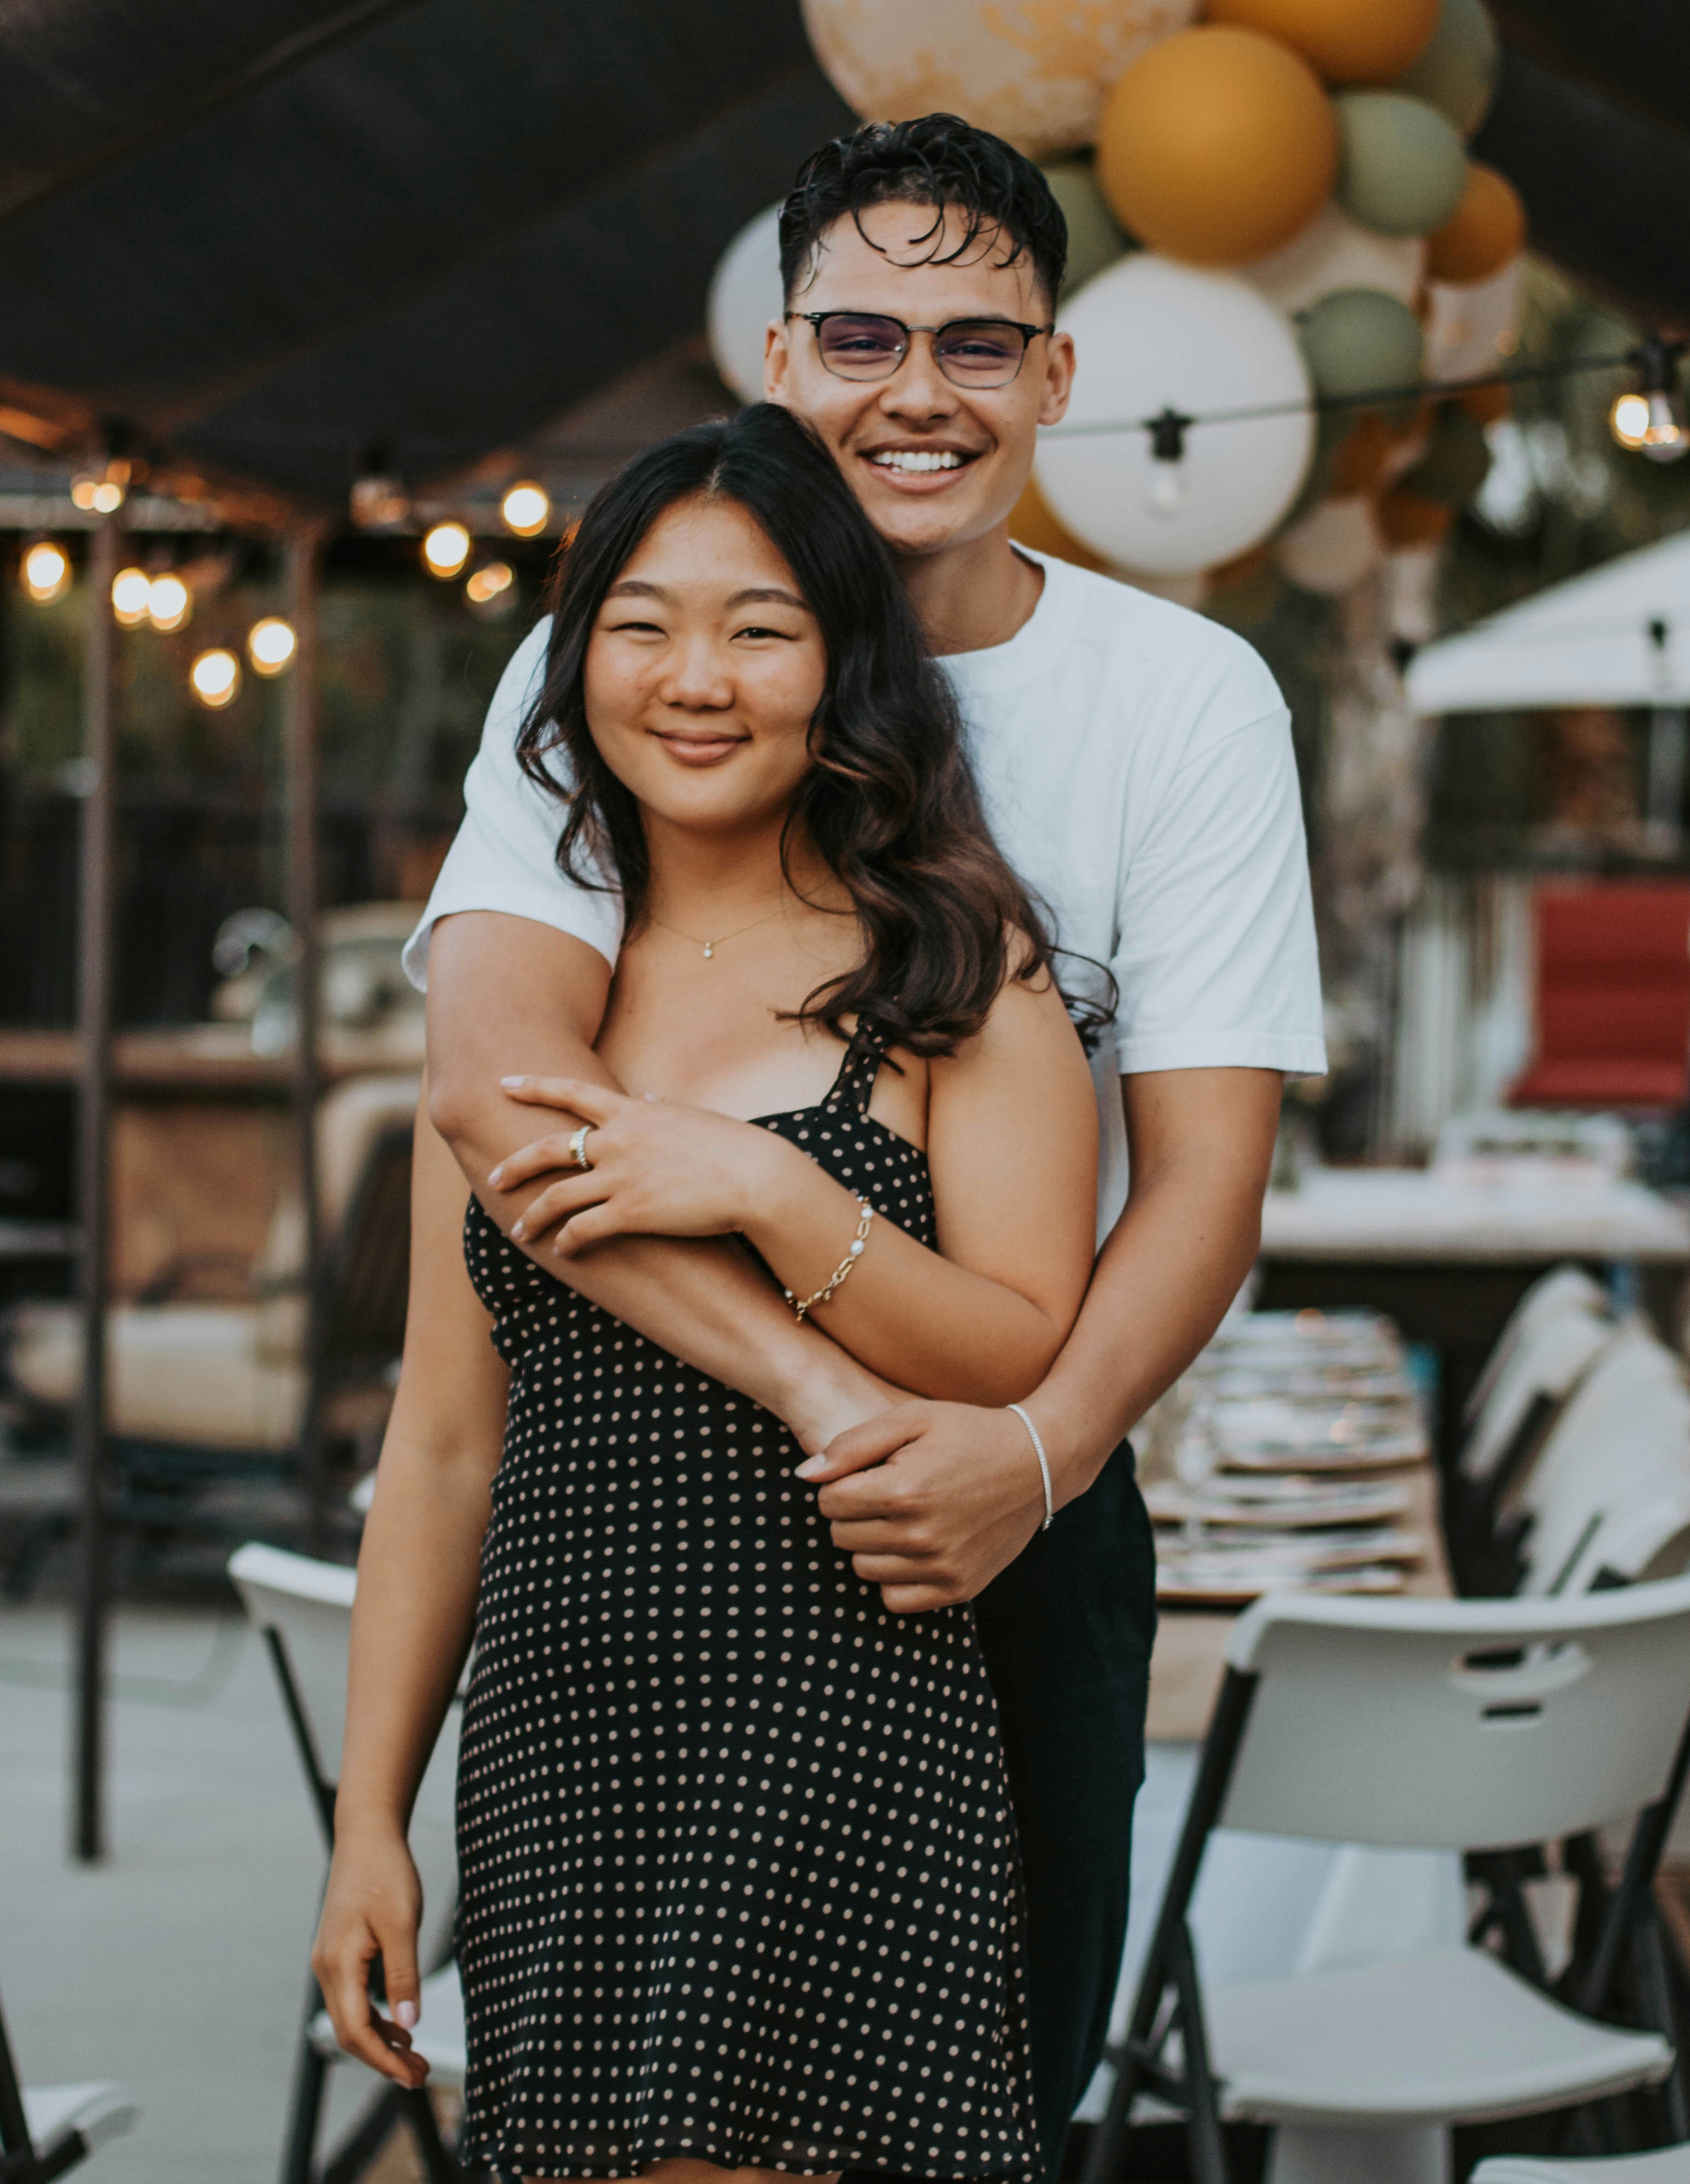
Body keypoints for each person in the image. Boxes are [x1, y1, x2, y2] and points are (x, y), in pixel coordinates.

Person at [407, 115, 1326, 2174]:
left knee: (1003, 2076)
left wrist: (1034, 1450)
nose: (916, 392)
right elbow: (498, 1100)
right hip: (645, 1542)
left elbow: (1201, 1179)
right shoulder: (633, 676)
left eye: (979, 343)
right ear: (776, 358)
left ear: (1058, 376)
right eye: (860, 335)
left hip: (1022, 1477)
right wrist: (817, 1367)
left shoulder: (1182, 698)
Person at [316, 404, 1104, 2184]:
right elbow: (441, 1451)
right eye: (643, 620)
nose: (696, 675)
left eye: (759, 626)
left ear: (842, 667)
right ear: (575, 653)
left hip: (840, 1736)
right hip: (565, 1752)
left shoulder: (956, 964)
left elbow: (1016, 1345)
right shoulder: (520, 1004)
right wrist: (368, 1816)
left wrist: (769, 1185)